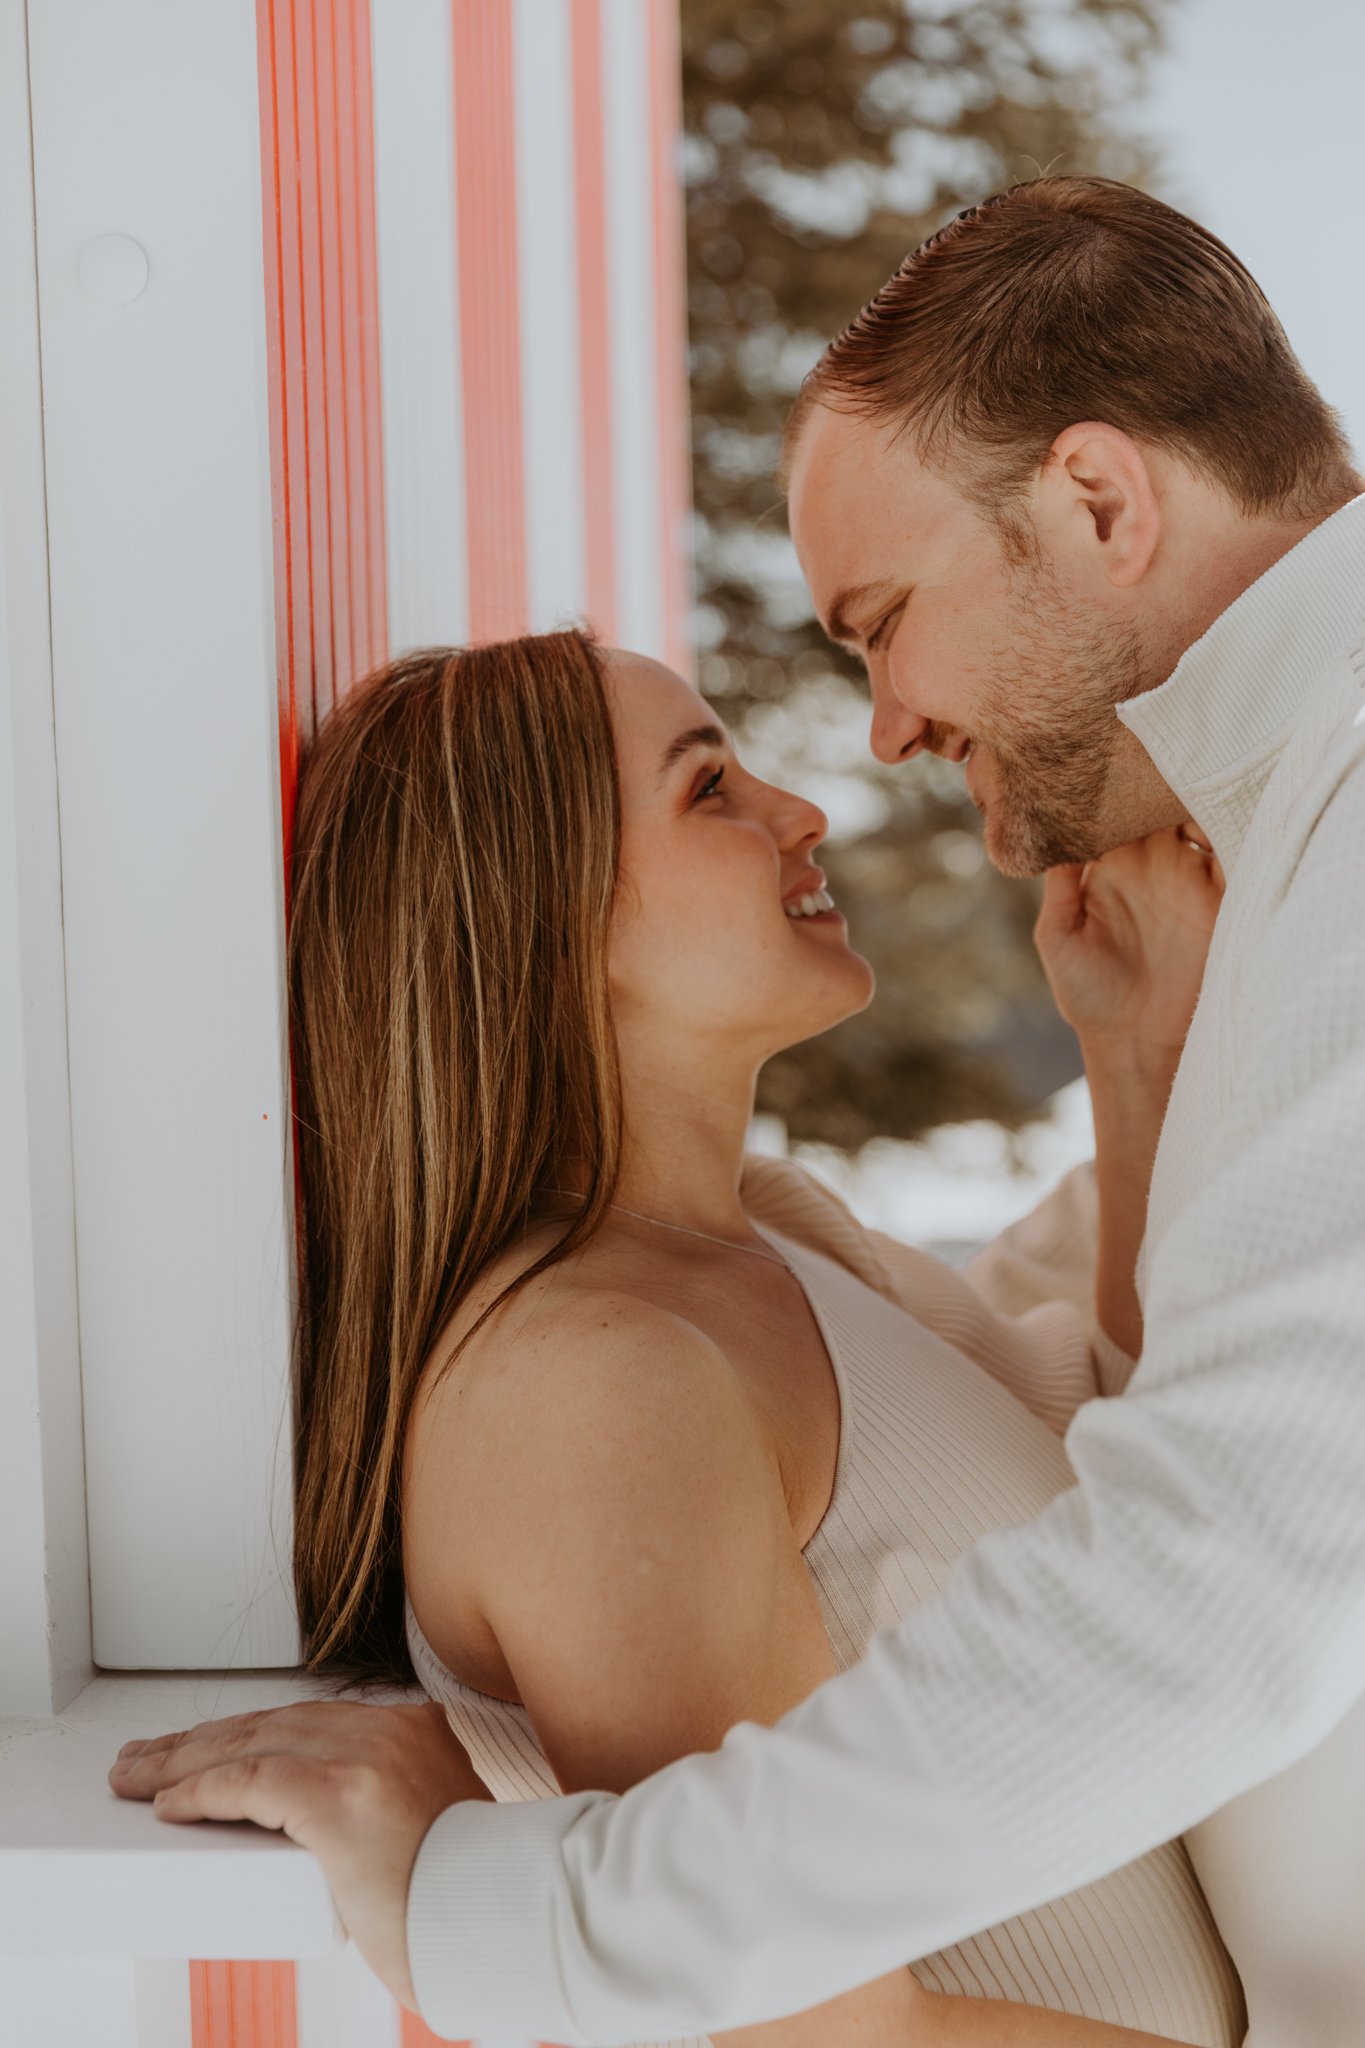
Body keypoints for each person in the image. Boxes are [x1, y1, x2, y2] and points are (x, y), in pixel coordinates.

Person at [110, 178, 1365, 2047]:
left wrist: (509, 1924)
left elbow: (1232, 1569)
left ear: (1098, 501)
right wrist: (1143, 1065)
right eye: (709, 782)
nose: (859, 757)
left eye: (883, 619)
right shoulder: (615, 1362)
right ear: (541, 927)